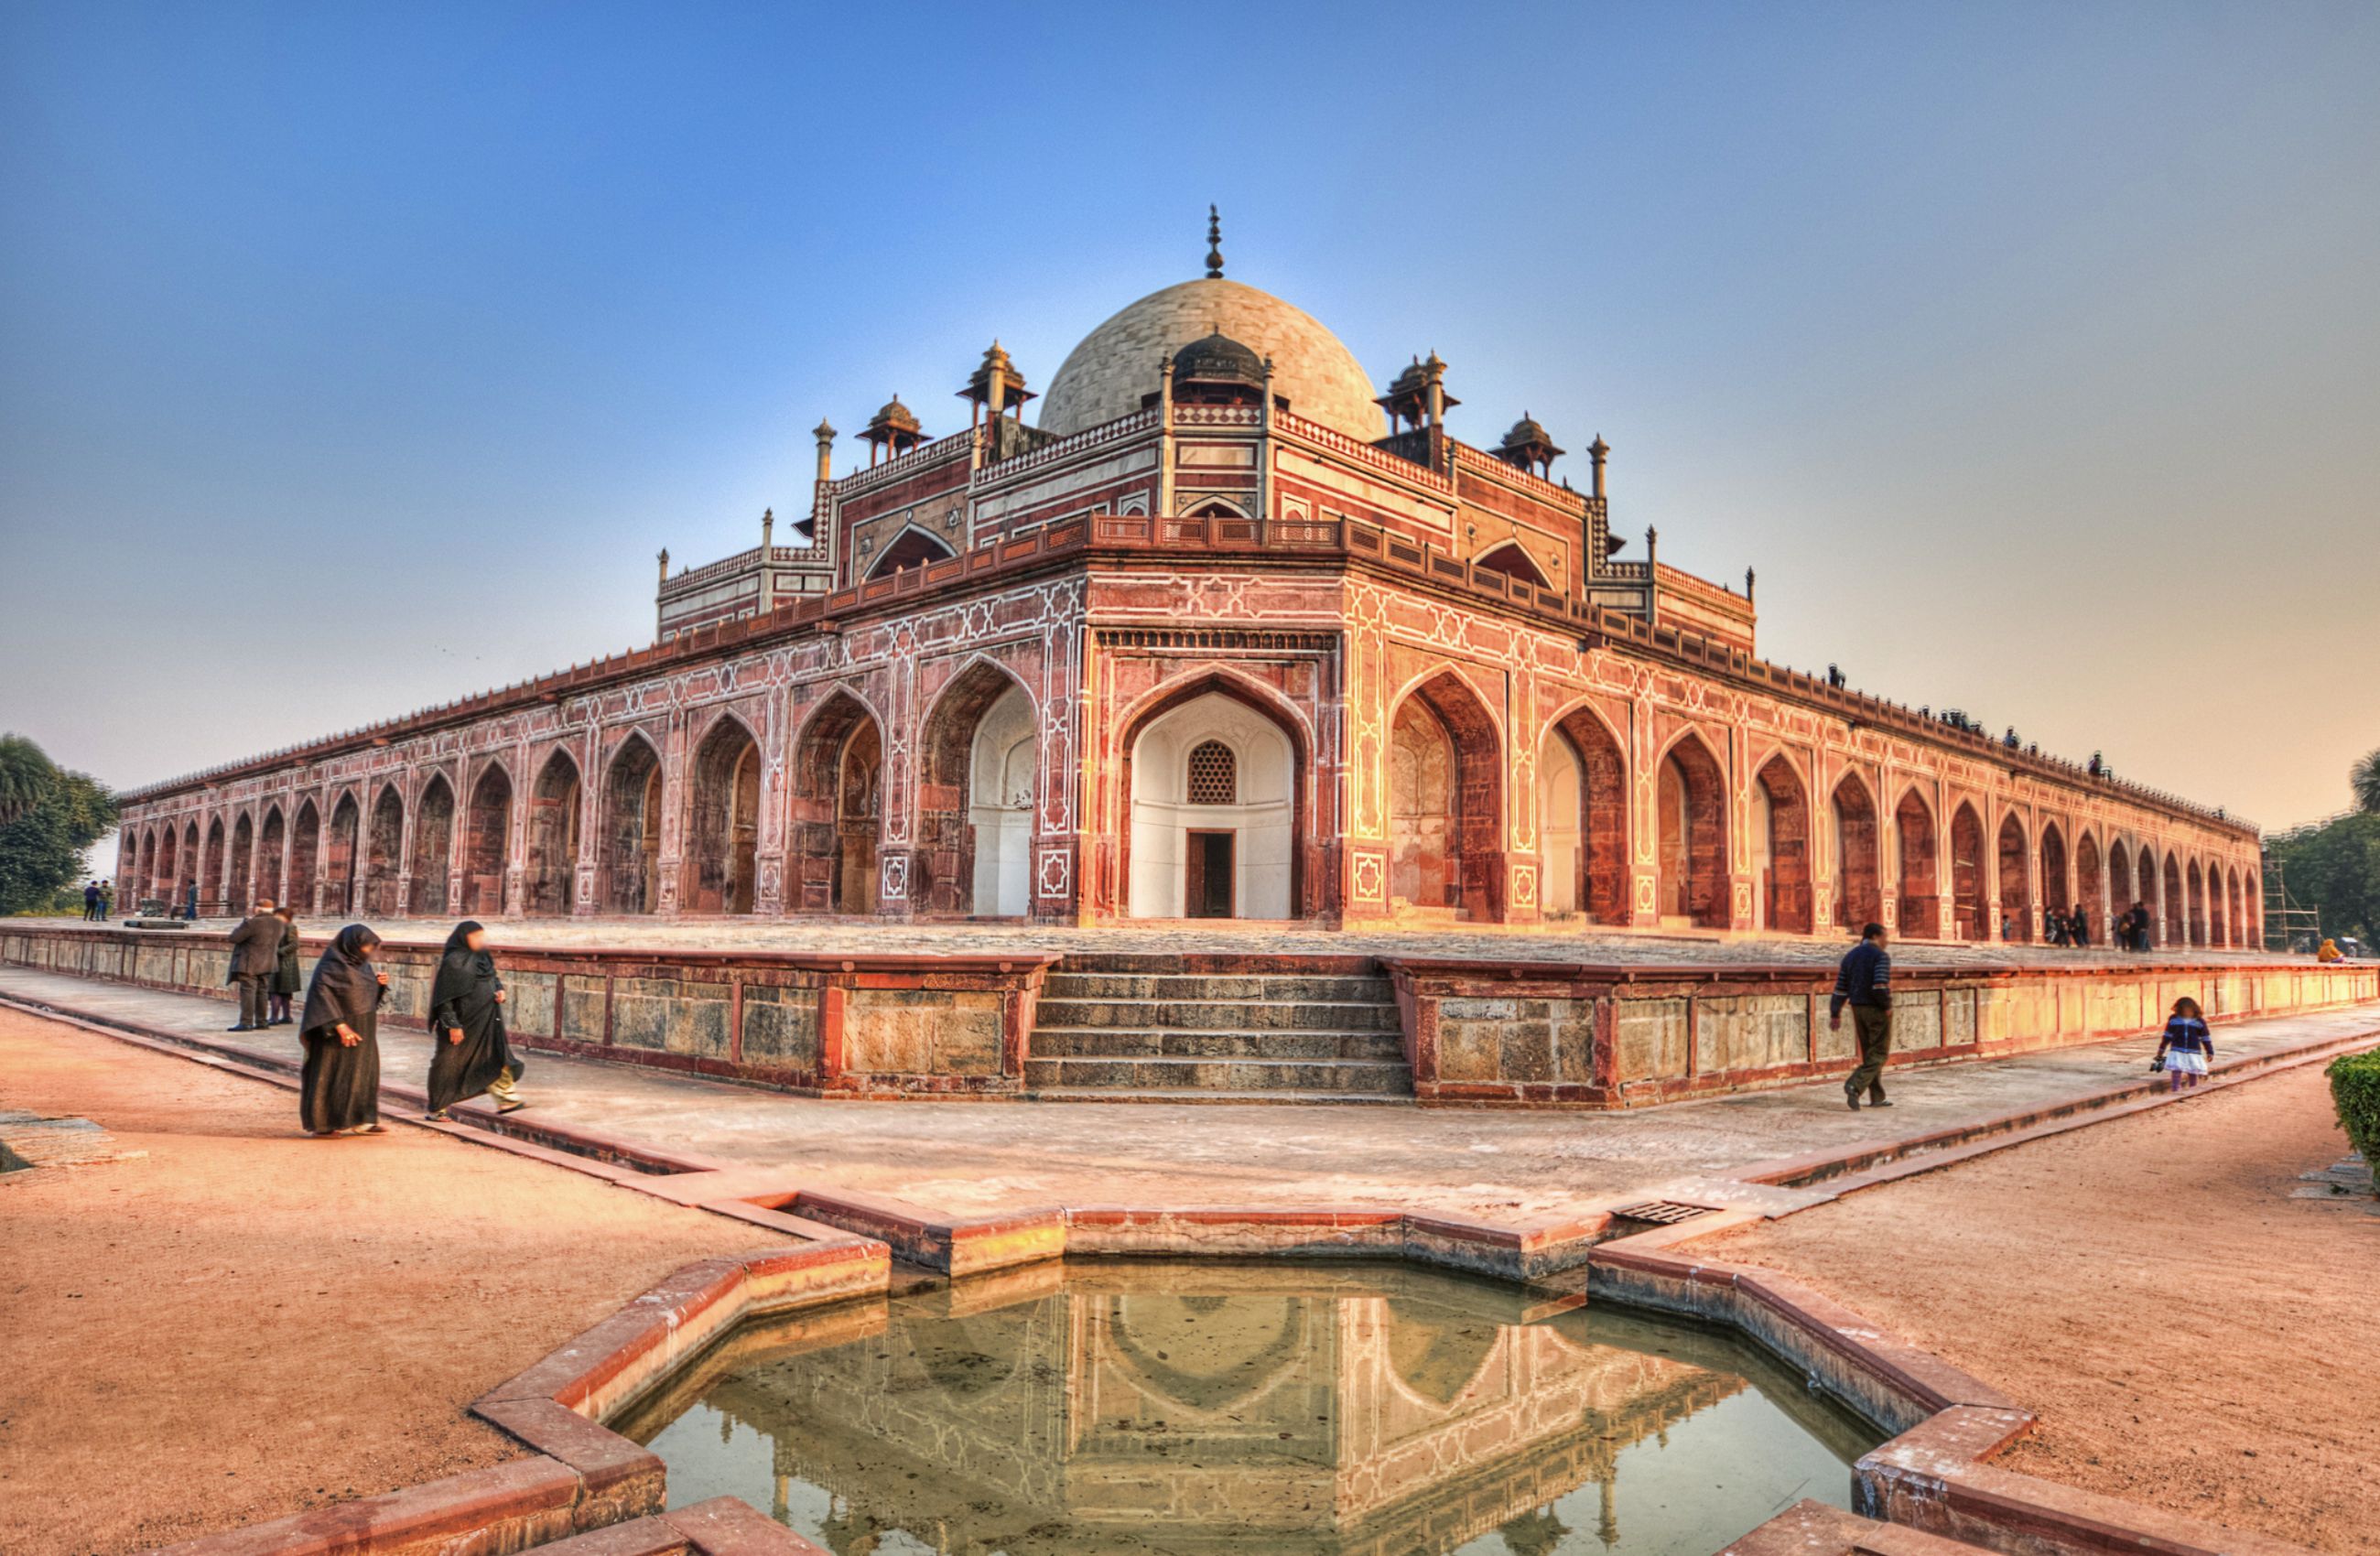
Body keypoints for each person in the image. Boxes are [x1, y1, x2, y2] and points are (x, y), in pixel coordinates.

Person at [425, 920, 525, 1119]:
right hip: (462, 1022)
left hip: (486, 1018)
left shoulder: (482, 957)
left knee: (495, 1055)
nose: (480, 940)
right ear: (464, 937)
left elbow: (492, 977)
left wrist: (499, 989)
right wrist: (452, 1025)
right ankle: (437, 1107)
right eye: (475, 936)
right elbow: (444, 999)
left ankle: (507, 1100)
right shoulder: (453, 961)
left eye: (482, 935)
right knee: (448, 1063)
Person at [296, 924, 388, 1137]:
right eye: (365, 947)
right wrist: (339, 1025)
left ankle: (363, 1120)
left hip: (363, 1028)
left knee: (362, 1074)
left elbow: (366, 999)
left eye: (370, 947)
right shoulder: (330, 966)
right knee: (330, 1074)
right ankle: (324, 1124)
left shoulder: (363, 967)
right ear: (351, 945)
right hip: (333, 1033)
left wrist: (379, 985)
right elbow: (322, 997)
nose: (368, 951)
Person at [1830, 922, 1894, 1110]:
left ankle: (1877, 1096)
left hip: (1857, 1008)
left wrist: (1835, 1012)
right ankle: (1854, 1085)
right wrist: (1887, 1005)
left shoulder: (1851, 956)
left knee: (1870, 1054)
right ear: (1875, 936)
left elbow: (1841, 988)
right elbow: (1880, 985)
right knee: (1880, 1053)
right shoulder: (1880, 956)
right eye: (1885, 937)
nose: (1887, 941)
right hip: (1875, 1008)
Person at [224, 897, 283, 1032]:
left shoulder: (252, 923)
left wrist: (243, 924)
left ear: (258, 909)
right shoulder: (278, 923)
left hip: (250, 963)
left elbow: (234, 938)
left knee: (248, 992)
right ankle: (262, 1021)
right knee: (262, 992)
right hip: (268, 962)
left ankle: (246, 1022)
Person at [2154, 996, 2212, 1092]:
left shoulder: (2199, 1021)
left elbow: (2205, 1038)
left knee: (2193, 1071)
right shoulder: (2173, 1019)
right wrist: (2162, 1048)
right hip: (2177, 1050)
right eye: (2184, 1010)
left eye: (2189, 1010)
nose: (2187, 1012)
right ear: (2179, 1010)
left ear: (2194, 1009)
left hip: (2193, 1051)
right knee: (2176, 1070)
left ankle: (2193, 1089)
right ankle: (2175, 1089)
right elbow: (2168, 1035)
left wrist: (2210, 1051)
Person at [268, 905, 302, 1025]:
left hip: (284, 963)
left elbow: (294, 944)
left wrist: (278, 952)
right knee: (283, 991)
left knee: (276, 990)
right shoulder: (278, 927)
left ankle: (274, 1017)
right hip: (281, 962)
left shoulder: (290, 927)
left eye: (278, 915)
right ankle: (286, 1016)